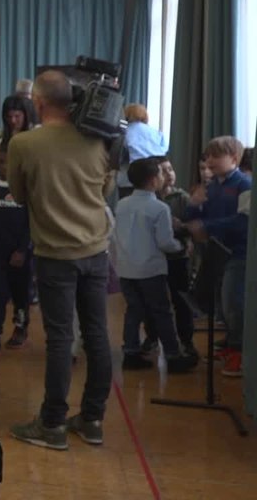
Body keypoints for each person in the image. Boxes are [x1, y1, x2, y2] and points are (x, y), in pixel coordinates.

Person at [7, 70, 115, 452]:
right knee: (97, 335)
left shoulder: (24, 144)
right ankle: (92, 420)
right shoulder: (97, 138)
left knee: (59, 340)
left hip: (55, 254)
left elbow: (18, 195)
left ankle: (52, 424)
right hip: (96, 250)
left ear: (37, 102)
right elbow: (106, 187)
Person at [115, 158, 197, 374]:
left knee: (133, 311)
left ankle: (130, 353)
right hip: (150, 269)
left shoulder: (121, 204)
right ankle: (173, 355)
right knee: (162, 312)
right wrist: (181, 246)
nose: (164, 177)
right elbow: (165, 242)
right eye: (160, 174)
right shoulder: (159, 208)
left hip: (126, 268)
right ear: (153, 181)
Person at [183, 136, 251, 378]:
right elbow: (194, 215)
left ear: (234, 159)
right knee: (224, 304)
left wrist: (207, 226)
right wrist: (193, 205)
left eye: (215, 156)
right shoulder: (212, 186)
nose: (209, 160)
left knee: (234, 304)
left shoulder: (245, 185)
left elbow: (244, 221)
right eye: (207, 155)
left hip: (238, 254)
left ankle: (241, 354)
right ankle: (233, 342)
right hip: (217, 253)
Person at [0, 146, 32, 356]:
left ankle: (20, 327)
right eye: (1, 162)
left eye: (9, 162)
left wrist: (22, 250)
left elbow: (31, 223)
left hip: (20, 255)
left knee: (21, 295)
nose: (5, 167)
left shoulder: (25, 191)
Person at [154, 158, 197, 358]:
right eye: (163, 171)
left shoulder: (183, 197)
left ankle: (186, 340)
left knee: (181, 300)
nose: (169, 173)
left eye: (171, 169)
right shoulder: (151, 201)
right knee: (156, 302)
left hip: (178, 258)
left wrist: (183, 230)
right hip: (156, 259)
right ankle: (153, 338)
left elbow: (193, 224)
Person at [0, 95, 34, 173]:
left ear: (25, 116)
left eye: (17, 116)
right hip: (2, 181)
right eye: (9, 117)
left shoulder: (34, 133)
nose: (13, 121)